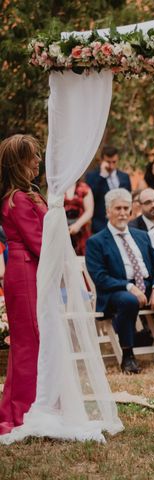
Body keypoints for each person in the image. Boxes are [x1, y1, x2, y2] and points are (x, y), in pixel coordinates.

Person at [85, 188, 154, 374]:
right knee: (128, 301)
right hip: (117, 291)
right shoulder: (96, 241)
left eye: (126, 208)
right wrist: (129, 287)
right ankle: (128, 356)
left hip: (147, 288)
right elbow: (100, 277)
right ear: (107, 211)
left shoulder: (141, 236)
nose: (122, 213)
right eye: (117, 208)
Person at [0, 134, 47, 434]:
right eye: (34, 156)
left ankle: (19, 408)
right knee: (29, 344)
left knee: (29, 344)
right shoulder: (17, 198)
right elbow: (38, 242)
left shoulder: (25, 194)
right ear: (20, 162)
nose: (39, 161)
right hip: (26, 272)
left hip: (31, 271)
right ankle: (19, 412)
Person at [85, 145, 132, 233]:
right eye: (108, 162)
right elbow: (91, 197)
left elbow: (129, 199)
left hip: (122, 222)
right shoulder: (92, 176)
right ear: (102, 160)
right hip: (100, 224)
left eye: (114, 162)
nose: (111, 165)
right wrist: (102, 176)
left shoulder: (124, 177)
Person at [64, 179, 94, 255]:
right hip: (62, 229)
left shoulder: (84, 188)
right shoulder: (57, 186)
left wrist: (77, 225)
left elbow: (89, 211)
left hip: (80, 229)